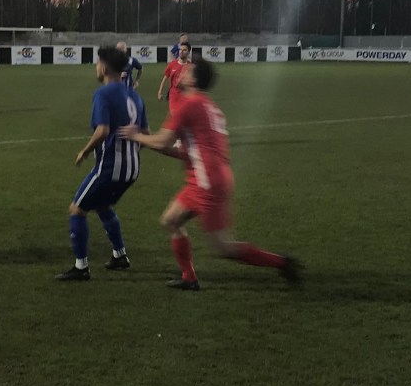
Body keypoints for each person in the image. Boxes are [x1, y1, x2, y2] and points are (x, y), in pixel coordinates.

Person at [121, 57, 298, 291]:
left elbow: (164, 141)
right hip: (208, 178)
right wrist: (146, 141)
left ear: (193, 80)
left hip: (207, 182)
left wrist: (136, 136)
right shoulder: (208, 106)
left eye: (187, 71)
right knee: (171, 220)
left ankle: (282, 263)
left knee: (224, 247)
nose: (181, 73)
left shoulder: (188, 105)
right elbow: (186, 151)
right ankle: (189, 277)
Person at [56, 46, 149, 282]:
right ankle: (120, 255)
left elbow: (102, 130)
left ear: (105, 67)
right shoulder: (136, 97)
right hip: (132, 169)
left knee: (77, 209)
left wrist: (85, 151)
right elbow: (145, 135)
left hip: (109, 168)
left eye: (97, 63)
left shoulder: (103, 93)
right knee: (103, 205)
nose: (96, 67)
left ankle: (81, 267)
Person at [159, 41, 191, 109]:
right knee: (175, 113)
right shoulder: (172, 64)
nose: (181, 51)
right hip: (174, 95)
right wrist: (160, 92)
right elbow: (165, 78)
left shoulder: (191, 66)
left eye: (184, 50)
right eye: (180, 49)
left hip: (186, 96)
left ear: (188, 52)